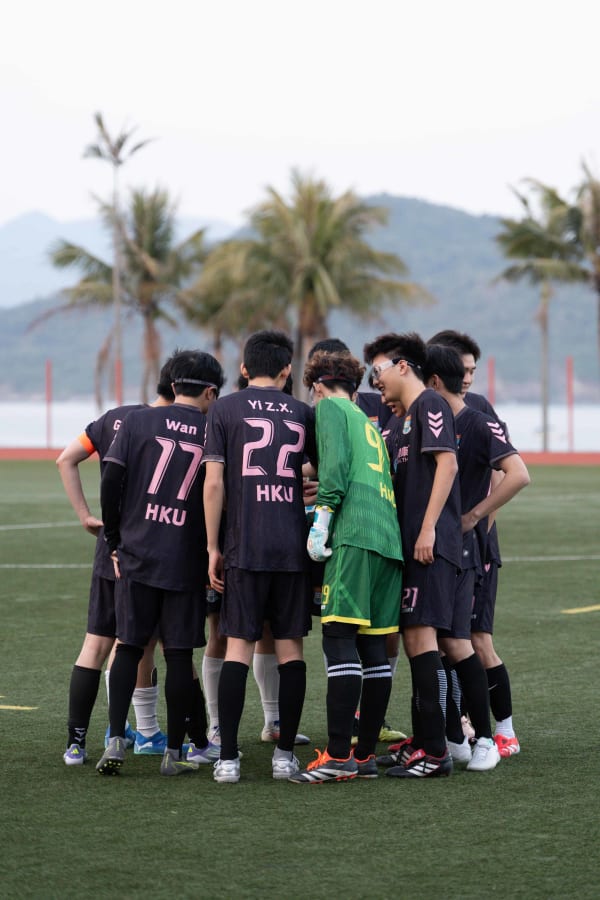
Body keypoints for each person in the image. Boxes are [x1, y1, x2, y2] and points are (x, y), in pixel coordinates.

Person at [95, 350, 224, 776]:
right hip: (185, 559)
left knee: (129, 647)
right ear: (210, 391)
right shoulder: (214, 427)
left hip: (138, 551)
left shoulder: (137, 420)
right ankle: (174, 753)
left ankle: (115, 739)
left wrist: (114, 536)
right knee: (179, 656)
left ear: (171, 385)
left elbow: (111, 477)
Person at [203, 330, 316, 783]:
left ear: (245, 369)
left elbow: (214, 482)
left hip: (244, 545)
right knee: (291, 650)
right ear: (287, 370)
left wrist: (212, 546)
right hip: (292, 546)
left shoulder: (225, 408)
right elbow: (318, 470)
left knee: (238, 647)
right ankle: (285, 754)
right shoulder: (303, 411)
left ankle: (228, 758)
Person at [289, 351, 403, 784]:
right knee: (373, 649)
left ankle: (338, 757)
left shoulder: (330, 409)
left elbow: (334, 470)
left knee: (338, 638)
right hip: (386, 540)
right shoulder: (365, 420)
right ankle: (365, 756)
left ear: (316, 386)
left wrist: (322, 518)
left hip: (353, 537)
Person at [58, 355, 177, 766]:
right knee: (140, 642)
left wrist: (85, 516)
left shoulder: (115, 418)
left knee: (96, 643)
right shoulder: (175, 425)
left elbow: (65, 458)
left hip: (109, 542)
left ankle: (76, 744)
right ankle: (142, 732)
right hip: (152, 546)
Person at [424, 344, 529, 770]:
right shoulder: (422, 420)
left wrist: (474, 517)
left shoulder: (478, 418)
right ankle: (456, 735)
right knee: (442, 644)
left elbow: (517, 474)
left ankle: (499, 733)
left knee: (470, 641)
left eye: (472, 370)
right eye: (463, 370)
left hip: (470, 551)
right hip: (435, 548)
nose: (469, 377)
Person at [364, 332, 461, 778]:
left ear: (403, 366)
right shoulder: (401, 417)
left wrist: (426, 530)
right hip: (409, 548)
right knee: (414, 641)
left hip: (429, 547)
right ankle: (422, 742)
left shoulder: (431, 404)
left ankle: (437, 753)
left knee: (423, 642)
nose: (373, 380)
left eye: (378, 370)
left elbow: (448, 464)